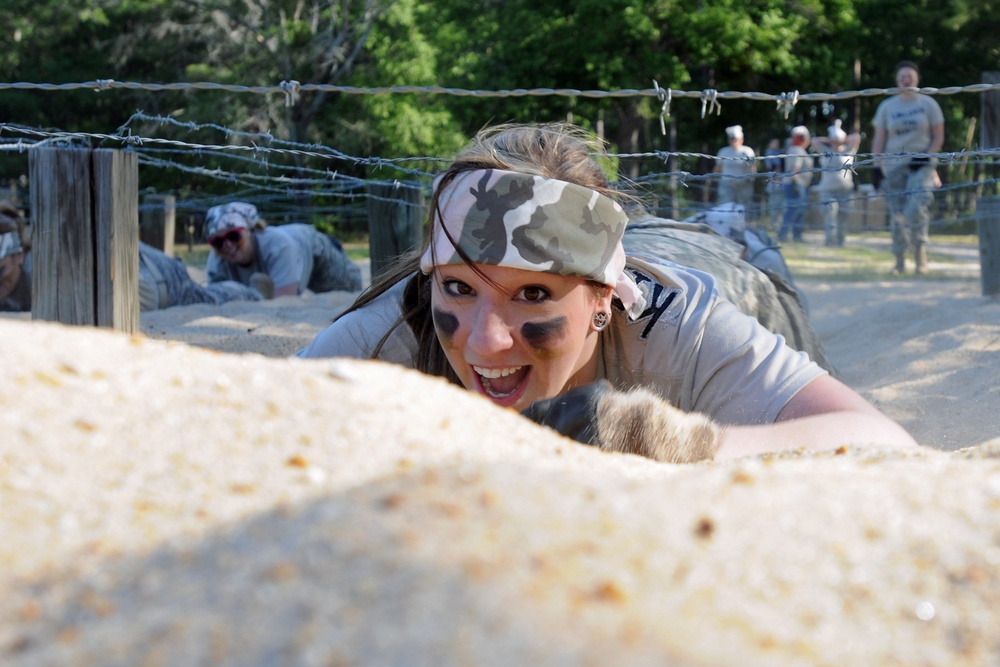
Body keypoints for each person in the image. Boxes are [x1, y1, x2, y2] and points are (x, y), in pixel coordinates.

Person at [297, 123, 917, 463]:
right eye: (458, 288)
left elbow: (879, 440)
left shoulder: (683, 329)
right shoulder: (392, 331)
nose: (485, 337)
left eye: (534, 295)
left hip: (736, 273)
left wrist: (679, 441)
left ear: (602, 298)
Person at [0, 201, 265, 313]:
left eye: (1, 270)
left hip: (158, 276)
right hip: (139, 272)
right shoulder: (19, 271)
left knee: (209, 297)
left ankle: (254, 291)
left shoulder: (49, 274)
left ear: (20, 256)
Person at [871, 60, 945, 275]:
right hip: (894, 165)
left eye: (910, 76)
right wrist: (877, 166)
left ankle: (921, 255)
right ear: (897, 80)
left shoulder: (928, 104)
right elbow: (879, 139)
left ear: (917, 79)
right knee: (897, 213)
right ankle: (899, 260)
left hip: (921, 165)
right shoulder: (887, 107)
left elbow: (938, 136)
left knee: (916, 207)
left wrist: (927, 156)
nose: (906, 80)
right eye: (902, 76)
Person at [205, 202, 362, 297]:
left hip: (314, 248)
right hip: (291, 242)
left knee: (352, 292)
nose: (227, 245)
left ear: (250, 231)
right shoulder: (216, 261)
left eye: (234, 236)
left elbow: (285, 301)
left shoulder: (279, 247)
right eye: (218, 241)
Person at [812, 120, 861, 247]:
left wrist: (843, 139)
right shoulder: (825, 151)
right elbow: (815, 141)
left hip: (845, 190)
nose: (836, 142)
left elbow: (857, 137)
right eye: (834, 140)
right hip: (828, 190)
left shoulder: (849, 151)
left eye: (838, 139)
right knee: (830, 214)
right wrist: (829, 140)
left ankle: (841, 240)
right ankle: (829, 241)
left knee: (843, 215)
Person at [778, 126, 813, 243]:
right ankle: (783, 235)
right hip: (795, 185)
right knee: (793, 210)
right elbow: (795, 170)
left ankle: (797, 235)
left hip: (797, 184)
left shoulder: (795, 149)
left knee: (798, 211)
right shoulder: (797, 150)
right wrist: (798, 186)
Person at [713, 125, 757, 210]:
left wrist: (751, 177)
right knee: (725, 207)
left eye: (736, 139)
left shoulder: (747, 151)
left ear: (741, 139)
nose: (734, 141)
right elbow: (718, 168)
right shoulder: (723, 151)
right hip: (726, 184)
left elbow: (752, 167)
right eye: (731, 138)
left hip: (743, 184)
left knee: (744, 208)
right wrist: (712, 177)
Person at [763, 137, 785, 233]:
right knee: (773, 206)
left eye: (777, 143)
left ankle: (779, 226)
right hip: (773, 184)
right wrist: (776, 169)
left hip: (781, 183)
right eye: (774, 143)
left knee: (781, 207)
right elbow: (770, 167)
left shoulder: (780, 153)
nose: (776, 145)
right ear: (769, 144)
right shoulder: (769, 153)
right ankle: (773, 225)